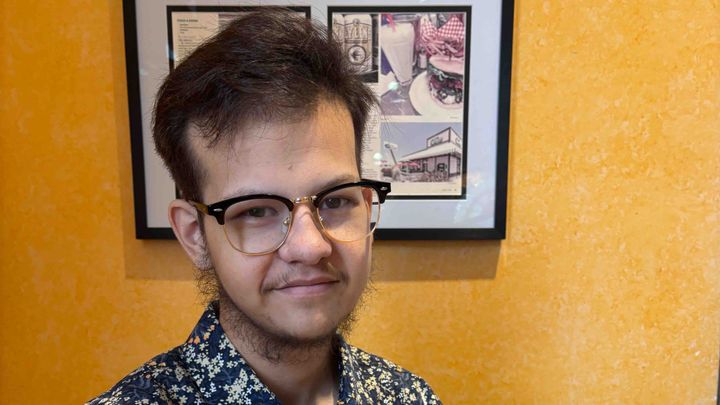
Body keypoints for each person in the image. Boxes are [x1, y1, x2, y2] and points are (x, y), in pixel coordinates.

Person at [89, 8, 440, 405]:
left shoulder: (408, 395)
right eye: (256, 211)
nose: (310, 246)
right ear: (194, 235)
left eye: (335, 200)